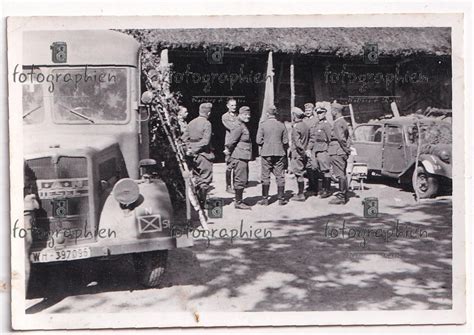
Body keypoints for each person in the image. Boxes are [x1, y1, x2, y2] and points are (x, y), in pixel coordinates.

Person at [256, 105, 289, 206]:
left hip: (266, 152)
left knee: (265, 176)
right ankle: (281, 199)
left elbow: (258, 140)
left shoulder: (263, 125)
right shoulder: (281, 125)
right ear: (276, 114)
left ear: (267, 114)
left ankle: (265, 199)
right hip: (279, 152)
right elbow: (285, 141)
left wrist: (266, 144)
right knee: (280, 176)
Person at [183, 103, 214, 207]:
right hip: (204, 154)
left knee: (197, 178)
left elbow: (183, 138)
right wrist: (196, 149)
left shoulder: (191, 122)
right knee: (205, 179)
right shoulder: (207, 123)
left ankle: (197, 202)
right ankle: (203, 203)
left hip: (192, 155)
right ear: (208, 113)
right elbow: (206, 141)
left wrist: (189, 148)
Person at [224, 106, 253, 210]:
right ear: (240, 114)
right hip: (239, 155)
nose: (248, 116)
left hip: (243, 155)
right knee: (240, 178)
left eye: (249, 114)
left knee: (242, 178)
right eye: (245, 114)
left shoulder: (242, 125)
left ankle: (239, 200)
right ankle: (238, 202)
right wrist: (228, 151)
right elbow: (231, 141)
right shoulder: (238, 126)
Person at [328, 102, 351, 204]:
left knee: (339, 174)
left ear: (335, 111)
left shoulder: (337, 123)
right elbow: (347, 137)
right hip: (340, 151)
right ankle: (344, 194)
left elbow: (341, 139)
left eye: (332, 110)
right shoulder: (344, 122)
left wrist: (346, 150)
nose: (331, 112)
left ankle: (341, 196)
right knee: (342, 173)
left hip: (337, 151)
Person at [306, 107, 332, 199]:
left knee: (326, 170)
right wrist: (308, 149)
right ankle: (316, 189)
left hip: (323, 150)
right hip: (315, 150)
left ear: (325, 113)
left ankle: (327, 190)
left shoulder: (327, 125)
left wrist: (329, 151)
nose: (319, 114)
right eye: (318, 113)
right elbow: (312, 138)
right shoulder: (316, 124)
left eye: (321, 113)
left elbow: (330, 139)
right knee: (315, 169)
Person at [290, 107, 310, 201]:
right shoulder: (305, 125)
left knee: (299, 174)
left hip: (298, 153)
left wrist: (301, 152)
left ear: (294, 115)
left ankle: (301, 194)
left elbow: (297, 143)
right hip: (303, 151)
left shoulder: (296, 127)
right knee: (300, 172)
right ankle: (300, 193)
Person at [221, 98, 239, 194]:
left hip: (237, 143)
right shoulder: (225, 117)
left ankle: (236, 185)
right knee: (229, 164)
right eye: (232, 105)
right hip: (229, 143)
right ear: (227, 106)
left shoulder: (238, 116)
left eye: (235, 105)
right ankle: (228, 186)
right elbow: (232, 128)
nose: (234, 107)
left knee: (236, 164)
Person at [303, 102, 319, 195]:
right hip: (305, 146)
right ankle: (310, 185)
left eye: (309, 110)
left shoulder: (316, 120)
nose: (307, 112)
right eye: (306, 110)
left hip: (313, 146)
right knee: (307, 167)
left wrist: (309, 148)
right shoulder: (304, 120)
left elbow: (314, 136)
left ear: (313, 111)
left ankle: (315, 187)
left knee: (313, 166)